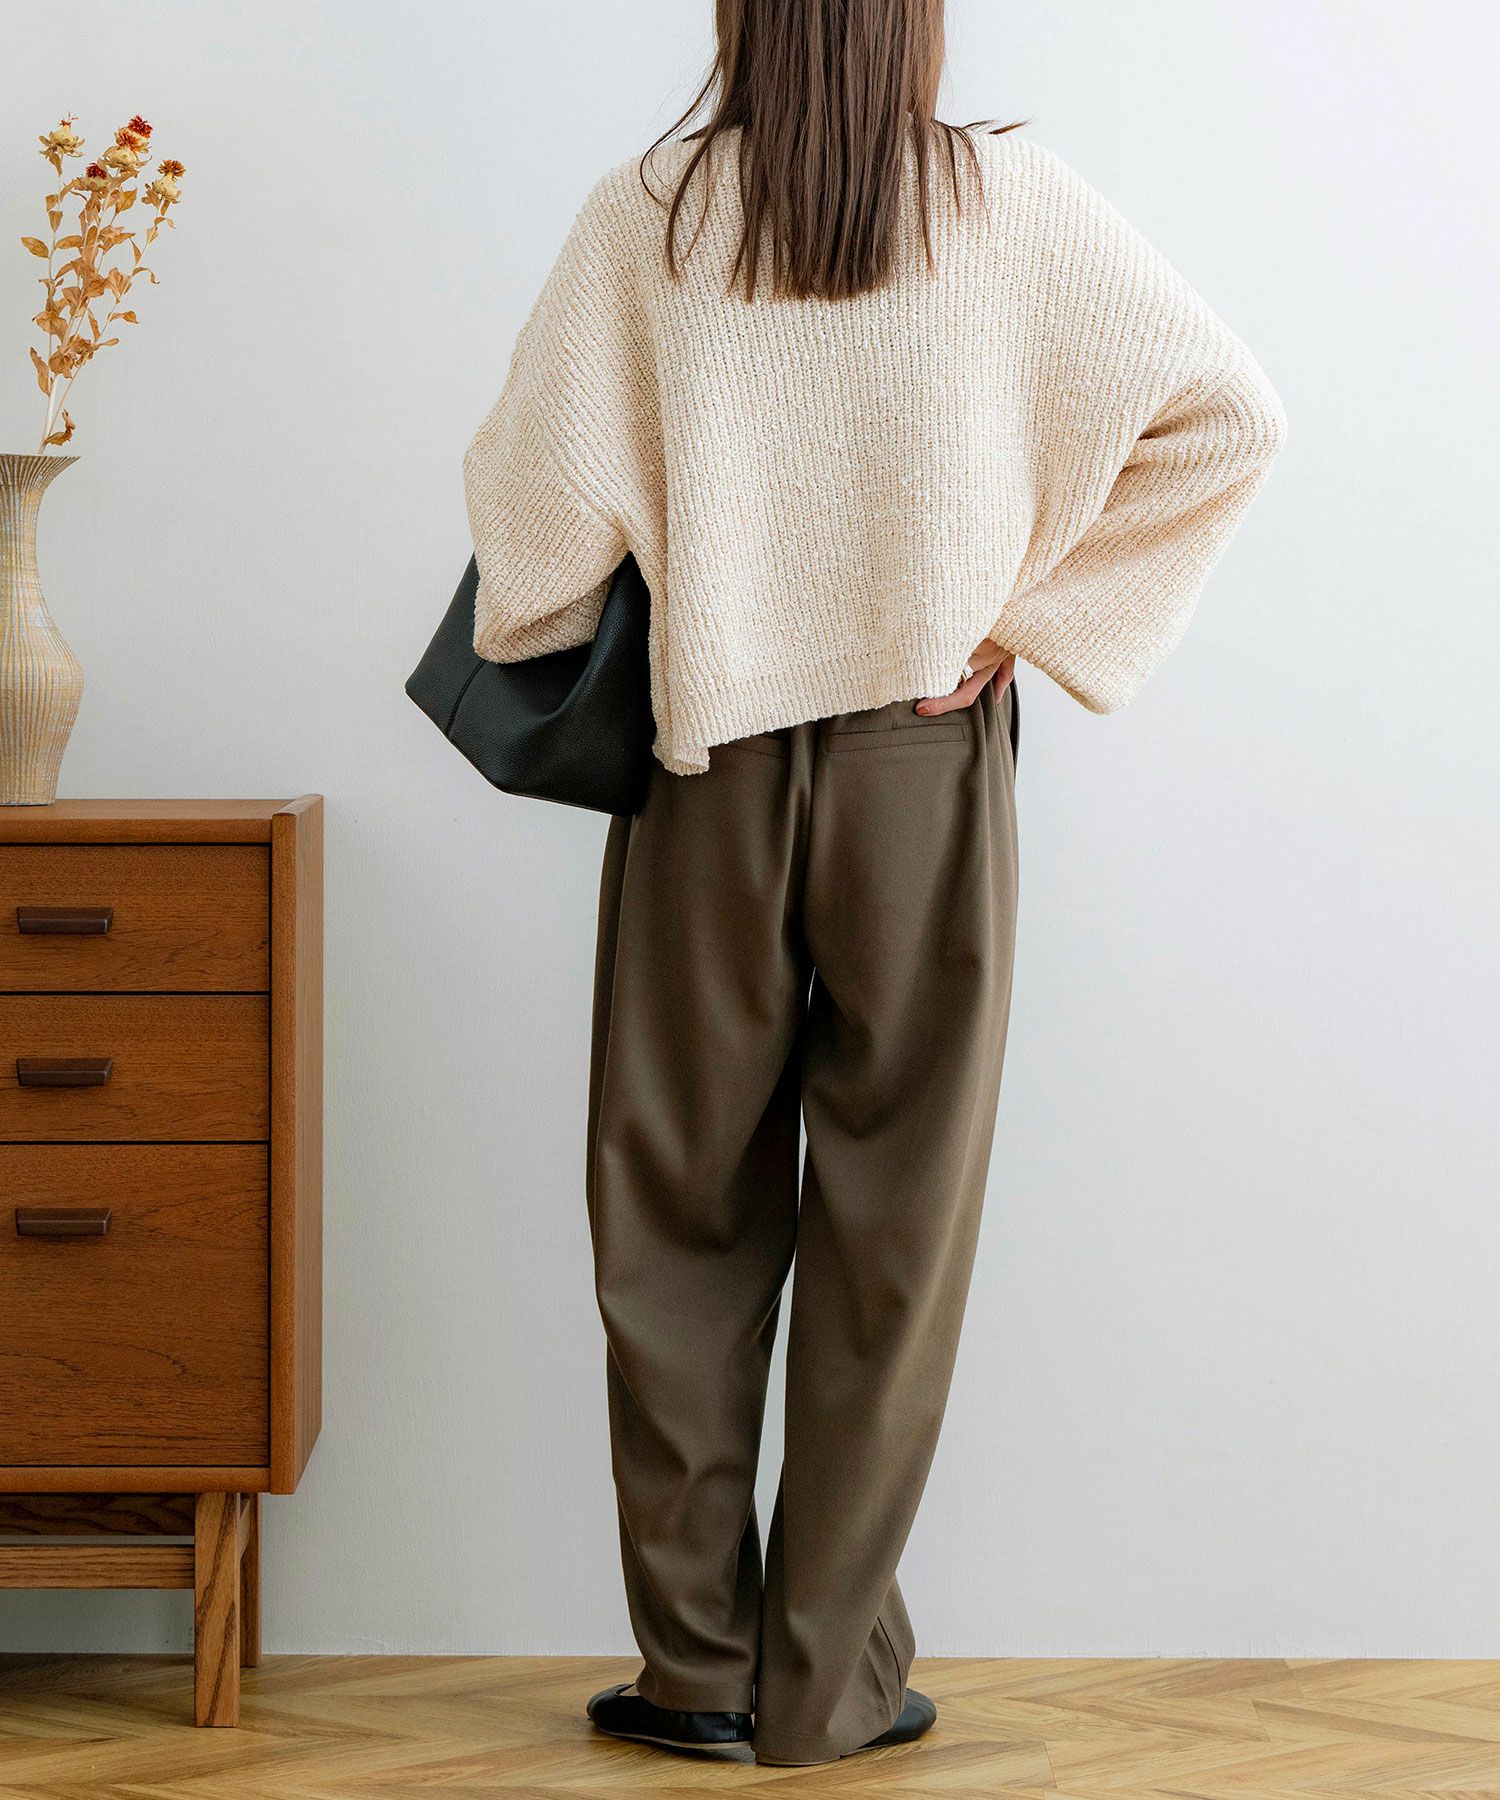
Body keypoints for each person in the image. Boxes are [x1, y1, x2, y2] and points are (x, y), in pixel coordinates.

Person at [462, 0, 1285, 1767]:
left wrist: (694, 539)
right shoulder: (1013, 206)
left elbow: (530, 545)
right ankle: (828, 1686)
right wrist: (1025, 618)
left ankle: (698, 1675)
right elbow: (1231, 419)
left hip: (710, 768)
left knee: (675, 1217)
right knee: (894, 1225)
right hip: (927, 761)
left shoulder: (650, 213)